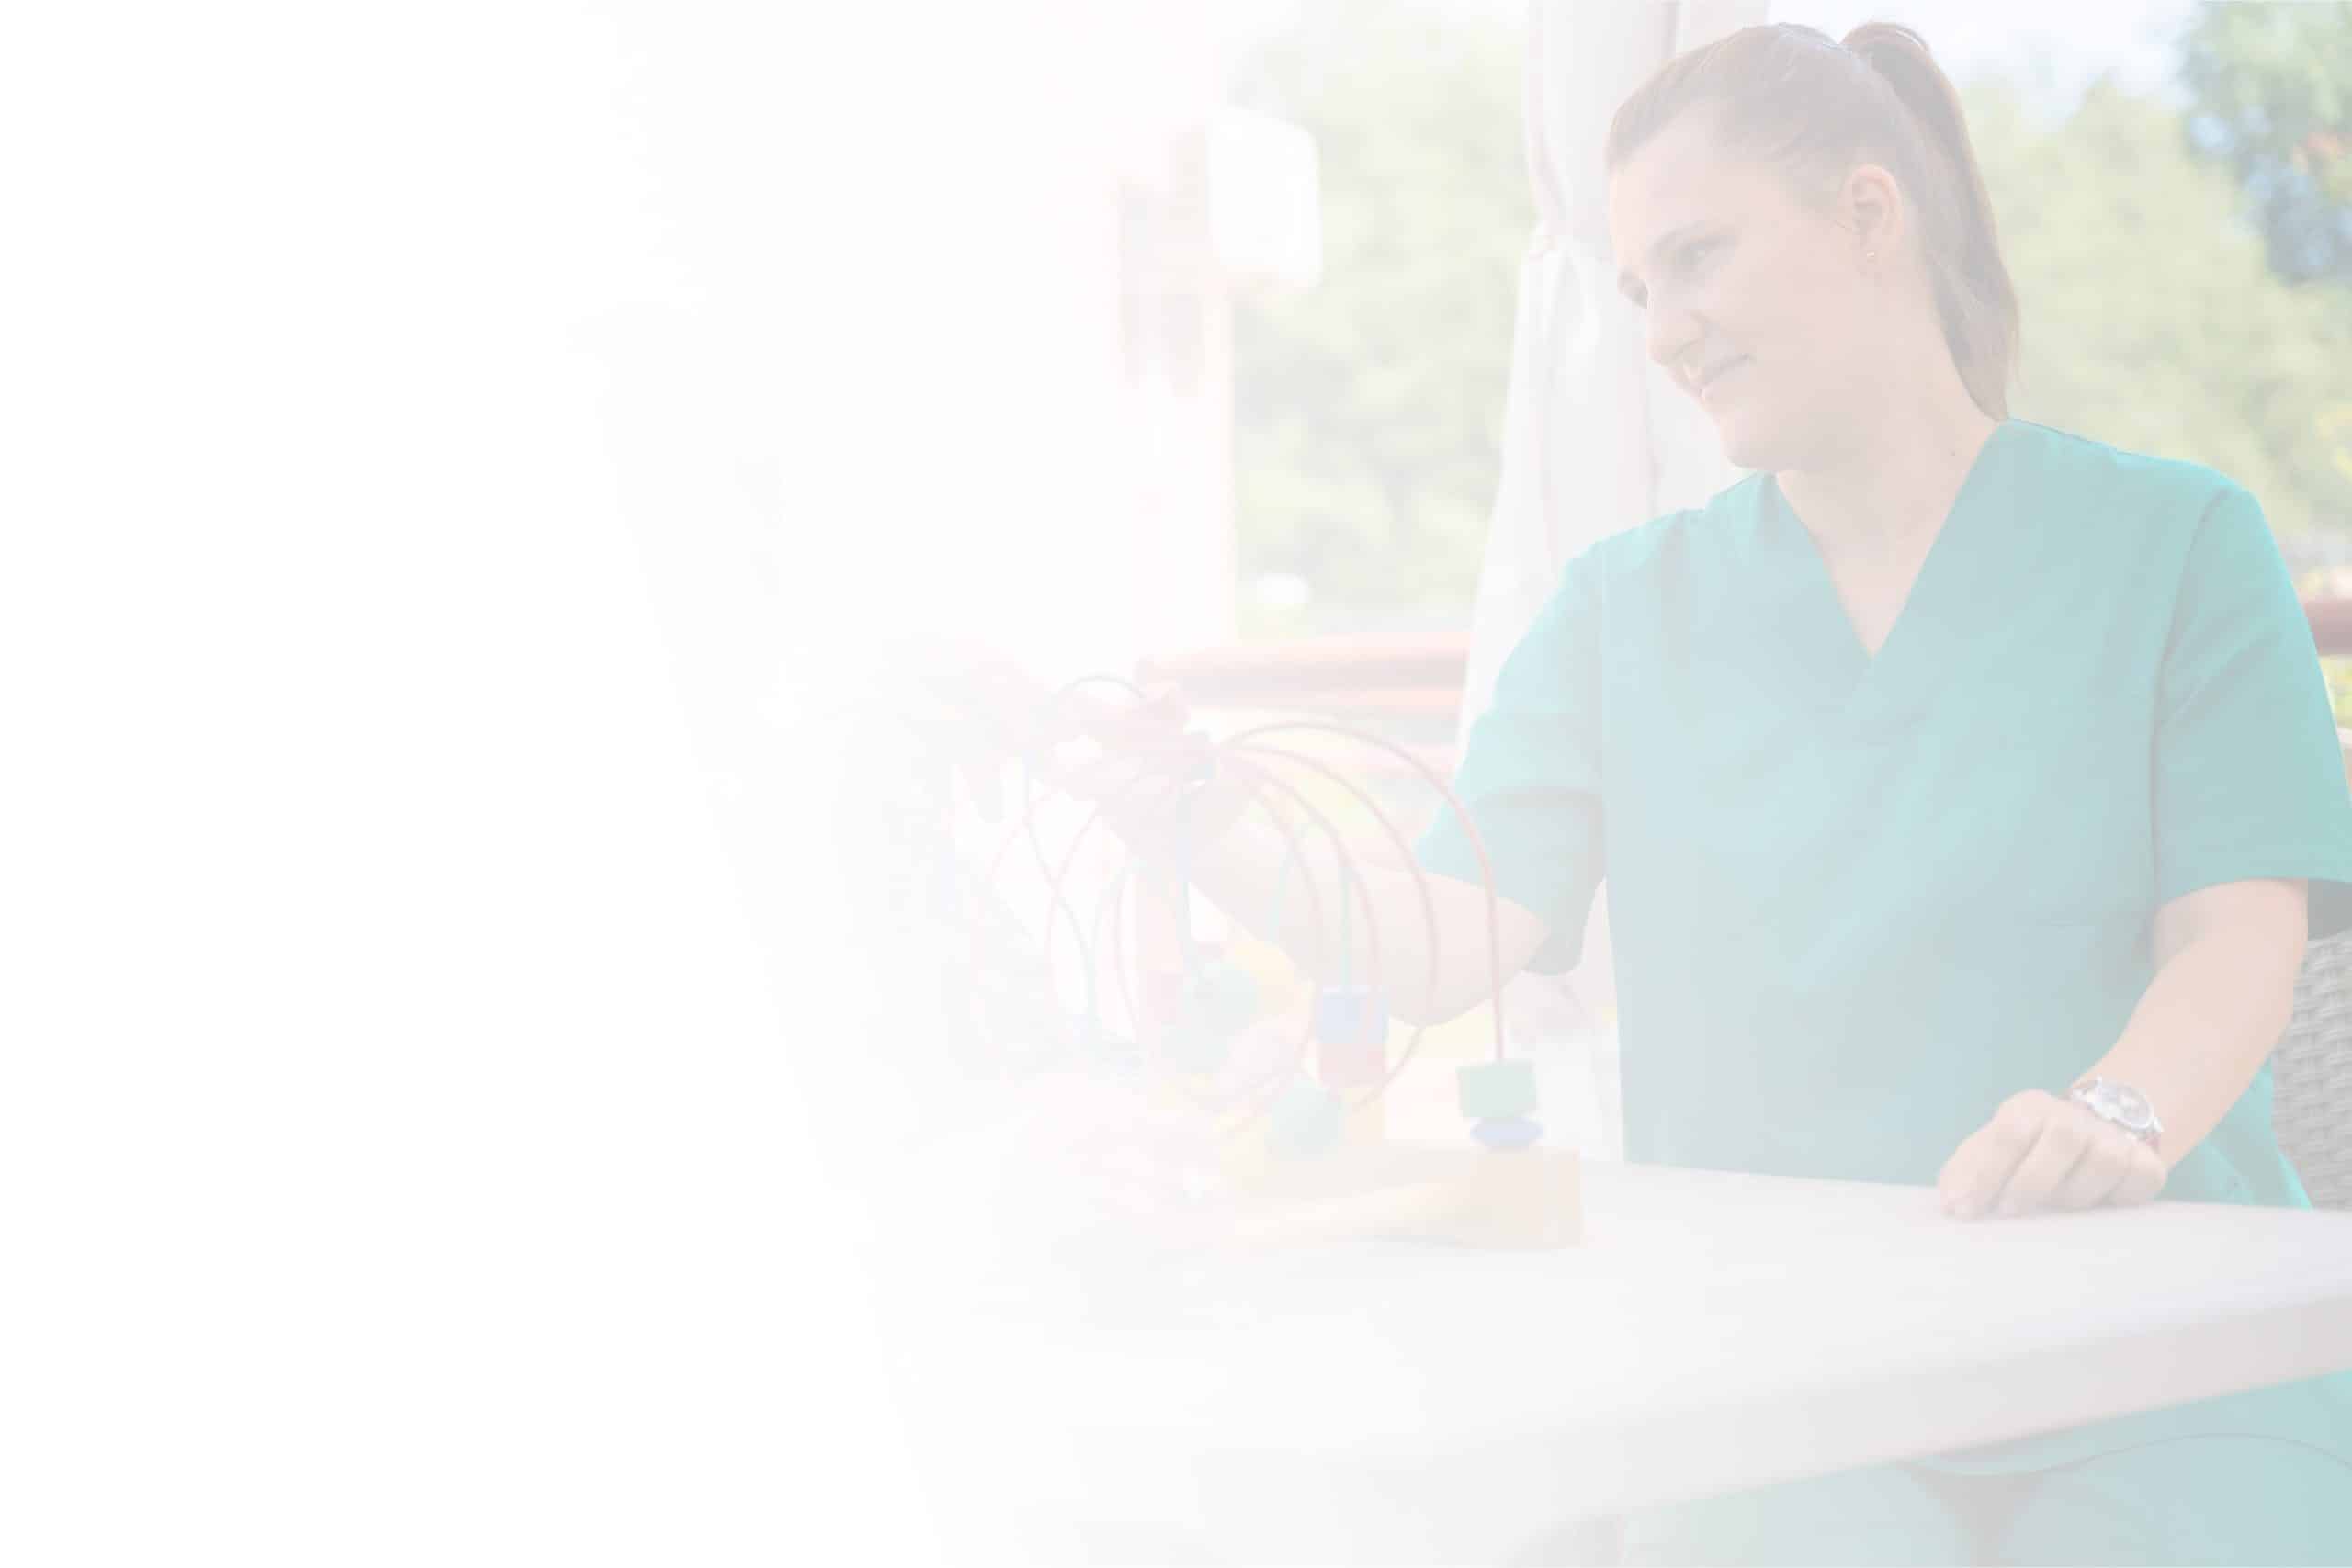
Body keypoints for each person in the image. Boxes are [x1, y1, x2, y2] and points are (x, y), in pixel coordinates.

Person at [1070, 19, 2352, 1566]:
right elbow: (1445, 935)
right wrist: (1198, 822)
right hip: (1775, 1388)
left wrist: (2117, 1114)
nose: (1664, 330)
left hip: (2166, 1347)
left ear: (1871, 216)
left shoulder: (2180, 546)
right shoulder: (1620, 611)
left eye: (1697, 258)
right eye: (1634, 291)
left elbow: (2237, 942)